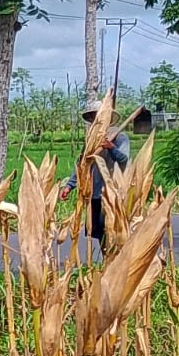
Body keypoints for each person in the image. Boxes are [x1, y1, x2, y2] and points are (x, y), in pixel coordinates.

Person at [60, 98, 132, 252]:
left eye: (100, 116)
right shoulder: (91, 140)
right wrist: (69, 185)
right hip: (93, 192)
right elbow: (82, 164)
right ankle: (106, 258)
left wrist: (111, 147)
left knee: (111, 228)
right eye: (94, 117)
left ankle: (116, 259)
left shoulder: (119, 136)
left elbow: (124, 161)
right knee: (97, 230)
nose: (96, 120)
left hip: (111, 192)